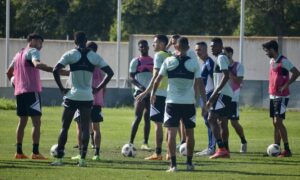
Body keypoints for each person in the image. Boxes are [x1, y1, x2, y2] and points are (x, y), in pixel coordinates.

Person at [51, 31, 114, 166]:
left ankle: (59, 158)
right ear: (86, 41)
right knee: (86, 127)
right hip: (87, 96)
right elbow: (110, 73)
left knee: (65, 127)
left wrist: (62, 88)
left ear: (75, 41)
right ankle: (82, 159)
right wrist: (98, 88)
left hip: (72, 95)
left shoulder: (70, 54)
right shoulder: (93, 56)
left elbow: (55, 70)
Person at [151, 37, 206, 172]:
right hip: (188, 103)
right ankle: (189, 163)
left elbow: (157, 80)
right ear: (188, 48)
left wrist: (153, 94)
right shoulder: (194, 63)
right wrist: (205, 103)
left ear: (175, 47)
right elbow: (200, 85)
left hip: (172, 103)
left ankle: (173, 165)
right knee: (189, 134)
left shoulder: (168, 61)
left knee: (171, 133)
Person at [6, 33, 55, 160]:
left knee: (22, 121)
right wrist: (55, 70)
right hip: (32, 91)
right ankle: (35, 152)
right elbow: (37, 64)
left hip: (20, 92)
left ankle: (19, 152)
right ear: (32, 41)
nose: (41, 46)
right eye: (40, 42)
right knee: (36, 122)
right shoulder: (33, 51)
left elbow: (8, 72)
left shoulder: (18, 54)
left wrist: (14, 82)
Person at [262, 40, 300, 157]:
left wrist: (285, 85)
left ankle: (287, 150)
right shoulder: (272, 60)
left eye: (267, 51)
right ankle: (276, 148)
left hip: (282, 96)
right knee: (275, 123)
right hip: (273, 95)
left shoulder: (284, 60)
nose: (266, 53)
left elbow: (296, 73)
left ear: (273, 50)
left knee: (278, 122)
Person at [136, 35, 170, 161]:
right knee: (169, 125)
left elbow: (155, 77)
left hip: (159, 94)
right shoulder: (170, 55)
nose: (153, 45)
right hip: (169, 94)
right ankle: (169, 153)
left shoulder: (158, 56)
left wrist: (147, 92)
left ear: (161, 44)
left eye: (155, 42)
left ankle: (158, 153)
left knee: (158, 124)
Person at [71, 42, 106, 161]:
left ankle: (81, 152)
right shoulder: (100, 66)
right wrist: (101, 98)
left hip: (83, 99)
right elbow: (104, 86)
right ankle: (96, 154)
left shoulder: (84, 64)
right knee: (96, 128)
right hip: (97, 102)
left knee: (80, 127)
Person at [206, 37, 232, 159]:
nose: (212, 48)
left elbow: (226, 76)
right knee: (222, 122)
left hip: (221, 94)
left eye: (214, 46)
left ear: (220, 46)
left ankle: (221, 148)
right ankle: (226, 150)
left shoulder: (221, 57)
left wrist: (214, 94)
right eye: (210, 46)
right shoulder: (220, 58)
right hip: (224, 94)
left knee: (211, 118)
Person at [128, 40, 153, 150]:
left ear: (148, 47)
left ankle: (145, 143)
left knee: (147, 118)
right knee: (138, 117)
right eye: (141, 47)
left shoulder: (153, 61)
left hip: (150, 92)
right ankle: (131, 142)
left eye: (144, 47)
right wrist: (141, 86)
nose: (143, 48)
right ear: (139, 48)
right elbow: (131, 78)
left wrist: (150, 89)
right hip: (139, 92)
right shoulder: (135, 61)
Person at [223, 46, 248, 153]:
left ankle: (243, 141)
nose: (223, 56)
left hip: (233, 98)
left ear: (230, 54)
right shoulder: (221, 65)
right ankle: (225, 147)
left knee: (234, 123)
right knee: (222, 123)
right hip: (223, 97)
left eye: (225, 54)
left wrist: (228, 73)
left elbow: (238, 81)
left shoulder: (238, 66)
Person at [194, 42, 216, 156]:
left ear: (206, 50)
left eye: (200, 50)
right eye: (196, 50)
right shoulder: (202, 63)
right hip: (205, 95)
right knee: (207, 121)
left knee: (211, 121)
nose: (198, 52)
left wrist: (211, 98)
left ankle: (212, 148)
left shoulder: (209, 63)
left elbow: (214, 80)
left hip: (209, 95)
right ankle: (210, 147)